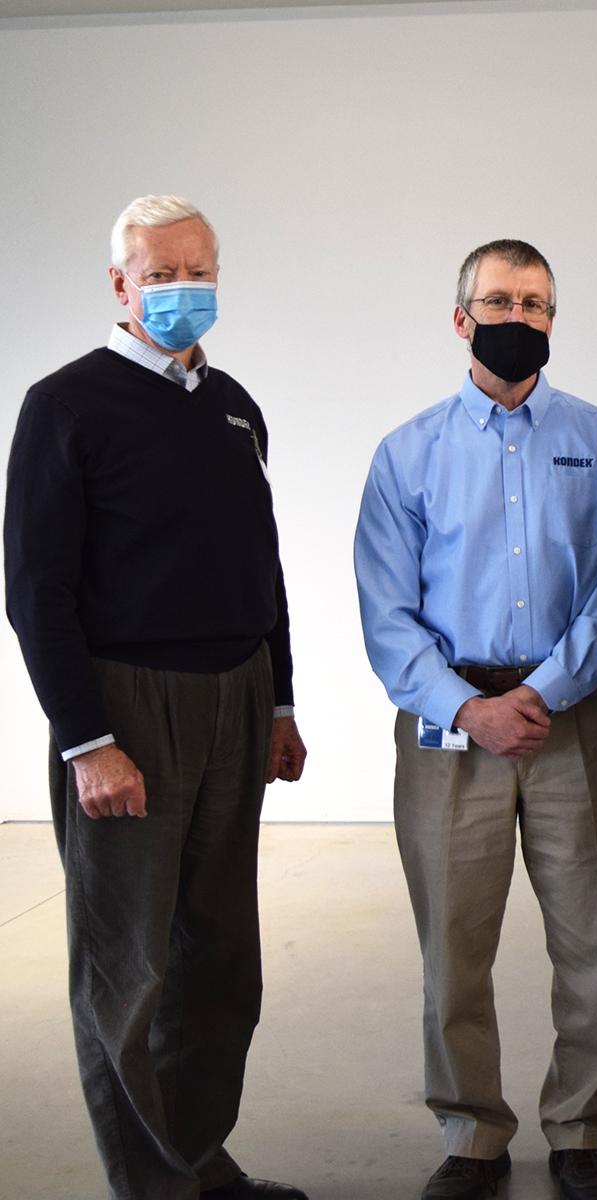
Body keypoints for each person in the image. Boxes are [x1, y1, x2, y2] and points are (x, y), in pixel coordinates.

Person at [4, 195, 308, 1200]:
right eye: (160, 271)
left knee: (221, 962)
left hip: (237, 698)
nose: (183, 289)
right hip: (129, 704)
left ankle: (196, 1161)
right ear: (120, 282)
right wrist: (86, 739)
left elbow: (260, 562)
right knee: (128, 967)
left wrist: (279, 703)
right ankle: (151, 1185)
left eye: (199, 269)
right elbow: (35, 586)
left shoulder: (233, 406)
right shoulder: (67, 405)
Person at [354, 239, 597, 1200]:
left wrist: (544, 693)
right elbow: (386, 611)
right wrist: (467, 707)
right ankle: (471, 1132)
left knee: (591, 935)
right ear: (460, 316)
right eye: (499, 301)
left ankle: (578, 1127)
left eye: (537, 304)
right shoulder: (408, 453)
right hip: (450, 729)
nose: (519, 318)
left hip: (576, 717)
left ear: (554, 320)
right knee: (454, 937)